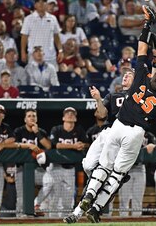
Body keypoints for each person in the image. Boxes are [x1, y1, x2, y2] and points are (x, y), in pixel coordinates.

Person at [81, 6, 156, 223]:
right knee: (118, 174)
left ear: (150, 77)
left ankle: (89, 195)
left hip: (118, 125)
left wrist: (147, 24)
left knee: (103, 166)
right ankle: (97, 208)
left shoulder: (139, 78)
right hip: (136, 133)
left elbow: (140, 49)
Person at [63, 67, 135, 223]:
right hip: (107, 133)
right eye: (125, 74)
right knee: (88, 165)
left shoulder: (139, 96)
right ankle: (100, 184)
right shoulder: (113, 95)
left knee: (103, 175)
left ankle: (79, 211)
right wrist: (98, 99)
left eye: (129, 75)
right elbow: (101, 114)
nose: (125, 76)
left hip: (123, 137)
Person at [49, 107, 88, 217]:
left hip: (70, 169)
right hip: (56, 167)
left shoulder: (79, 130)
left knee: (68, 198)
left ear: (75, 118)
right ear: (63, 117)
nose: (70, 115)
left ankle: (66, 220)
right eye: (67, 113)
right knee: (55, 197)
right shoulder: (56, 129)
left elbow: (86, 143)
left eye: (72, 114)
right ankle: (52, 221)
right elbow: (56, 145)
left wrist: (83, 145)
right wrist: (74, 146)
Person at [14, 109, 52, 217]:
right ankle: (19, 218)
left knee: (50, 182)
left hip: (38, 169)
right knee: (21, 196)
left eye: (34, 116)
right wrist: (28, 146)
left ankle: (36, 204)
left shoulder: (41, 132)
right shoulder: (19, 131)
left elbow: (48, 146)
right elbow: (14, 144)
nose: (32, 118)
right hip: (22, 168)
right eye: (29, 116)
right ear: (25, 119)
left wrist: (37, 133)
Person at [119, 131, 156, 217]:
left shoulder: (149, 135)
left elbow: (154, 148)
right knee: (124, 199)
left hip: (140, 168)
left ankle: (137, 219)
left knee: (138, 198)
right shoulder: (126, 132)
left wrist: (152, 146)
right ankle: (122, 220)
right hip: (126, 168)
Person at [20, 0, 63, 68]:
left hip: (50, 56)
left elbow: (56, 36)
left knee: (53, 78)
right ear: (35, 5)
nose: (41, 4)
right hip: (33, 56)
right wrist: (23, 52)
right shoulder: (28, 19)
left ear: (46, 4)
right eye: (38, 2)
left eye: (43, 2)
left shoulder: (53, 18)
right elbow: (24, 37)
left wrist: (60, 50)